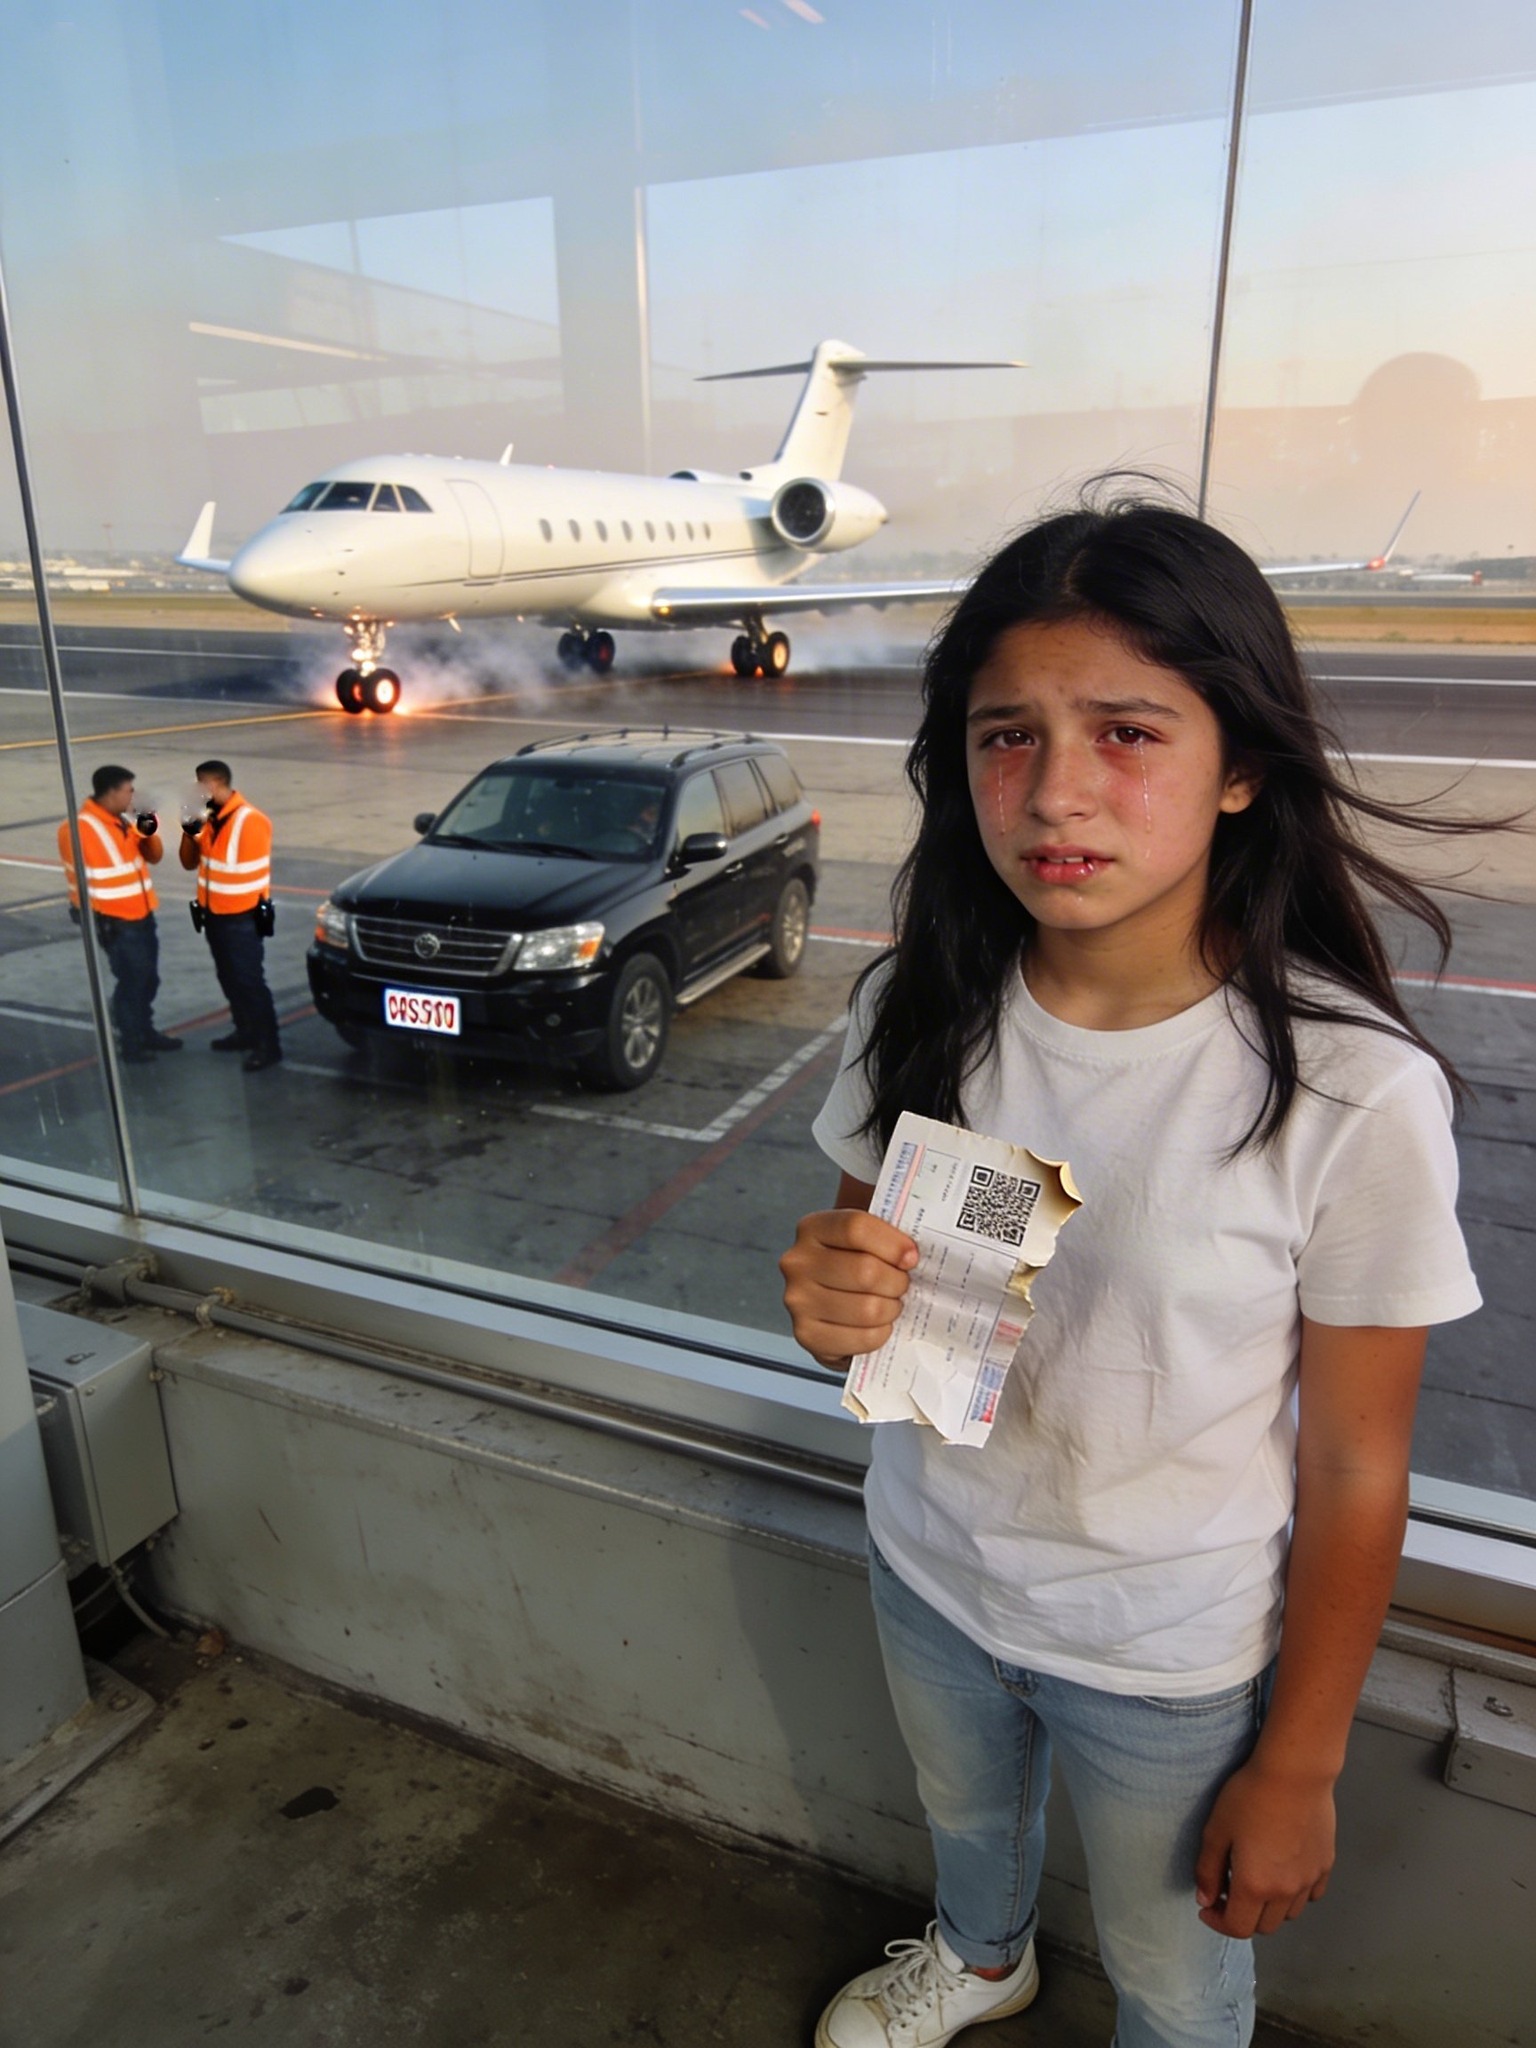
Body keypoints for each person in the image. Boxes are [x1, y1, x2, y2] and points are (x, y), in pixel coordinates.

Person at [779, 496, 1484, 2048]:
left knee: (1174, 1977)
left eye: (1128, 732)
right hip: (932, 1569)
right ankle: (982, 1957)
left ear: (1242, 767)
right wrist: (832, 1310)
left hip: (1165, 1654)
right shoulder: (920, 1008)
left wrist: (1300, 1762)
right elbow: (865, 1307)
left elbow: (1358, 1464)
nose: (1056, 792)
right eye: (1006, 737)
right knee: (966, 1827)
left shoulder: (1348, 1094)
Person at [57, 765, 182, 1065]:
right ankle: (132, 1042)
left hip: (141, 913)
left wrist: (147, 827)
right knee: (132, 981)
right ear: (111, 792)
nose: (133, 796)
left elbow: (153, 856)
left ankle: (144, 1030)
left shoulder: (122, 822)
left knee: (148, 978)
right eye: (129, 790)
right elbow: (93, 874)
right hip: (115, 920)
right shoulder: (79, 829)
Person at [178, 758, 281, 1072]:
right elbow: (188, 862)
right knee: (228, 978)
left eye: (199, 785)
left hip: (242, 918)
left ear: (213, 784)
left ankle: (268, 1045)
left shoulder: (251, 820)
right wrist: (189, 830)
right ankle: (245, 1031)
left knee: (249, 981)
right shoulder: (208, 819)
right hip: (214, 916)